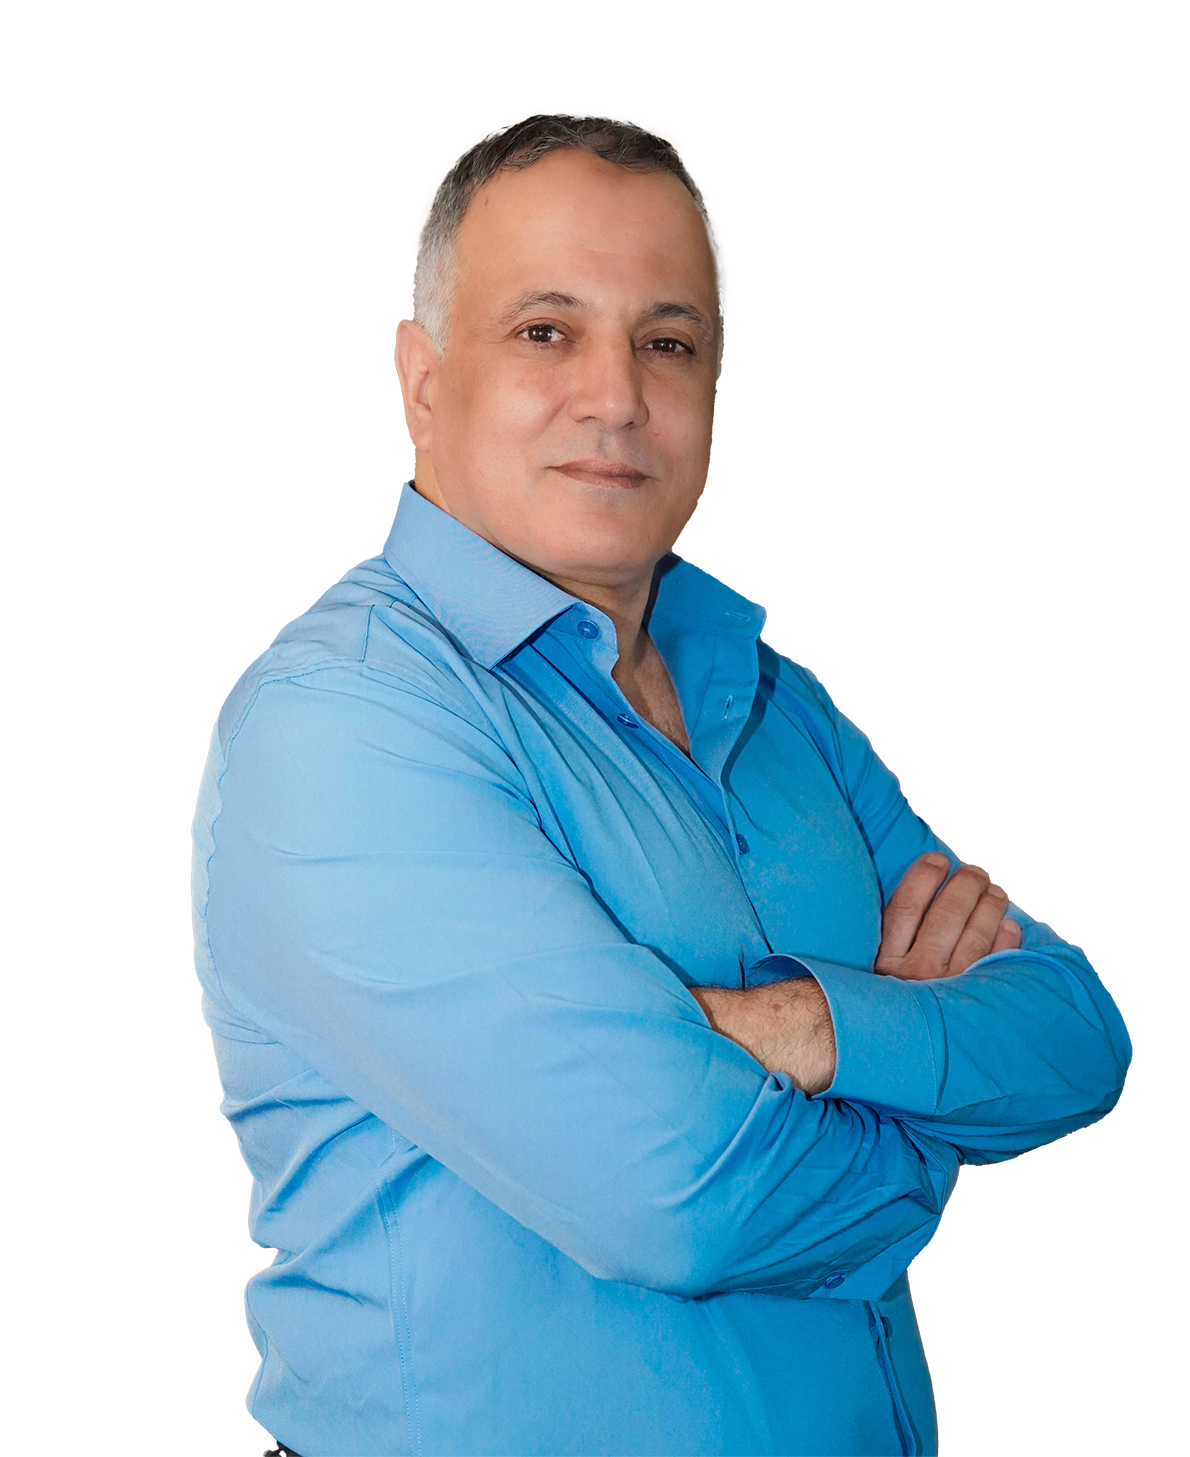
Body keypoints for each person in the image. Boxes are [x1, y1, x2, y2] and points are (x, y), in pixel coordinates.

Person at [192, 115, 1131, 1457]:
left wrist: (809, 1030)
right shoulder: (347, 726)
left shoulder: (771, 700)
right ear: (423, 378)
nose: (618, 397)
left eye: (668, 342)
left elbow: (1078, 1037)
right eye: (546, 331)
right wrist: (933, 1116)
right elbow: (682, 1197)